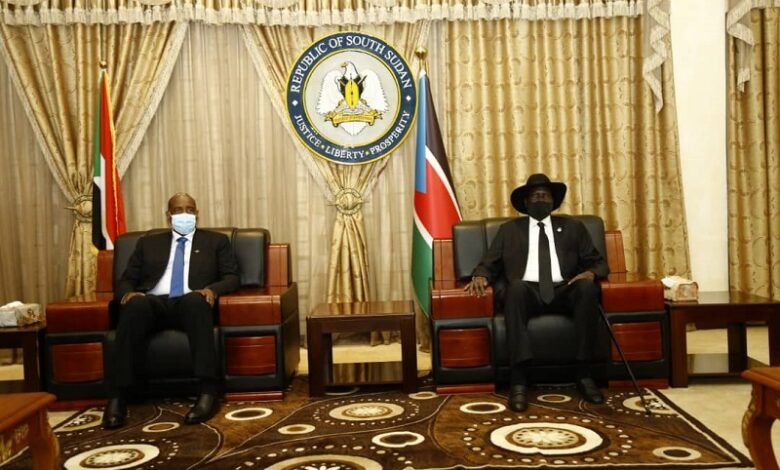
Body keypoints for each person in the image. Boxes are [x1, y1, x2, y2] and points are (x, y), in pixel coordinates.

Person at [464, 173, 609, 412]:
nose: (540, 198)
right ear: (526, 202)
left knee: (586, 288)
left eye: (545, 195)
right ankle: (518, 380)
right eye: (535, 195)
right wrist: (480, 275)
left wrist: (591, 273)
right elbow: (489, 262)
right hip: (527, 291)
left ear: (553, 201)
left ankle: (584, 374)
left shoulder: (573, 227)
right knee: (515, 287)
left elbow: (598, 262)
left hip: (564, 289)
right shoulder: (509, 230)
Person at [102, 193, 240, 429]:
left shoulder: (216, 241)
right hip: (153, 302)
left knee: (196, 302)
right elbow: (126, 280)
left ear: (197, 214)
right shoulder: (148, 243)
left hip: (190, 301)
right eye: (177, 210)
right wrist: (127, 294)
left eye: (189, 209)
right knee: (134, 305)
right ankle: (118, 397)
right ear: (168, 216)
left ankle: (207, 393)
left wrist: (211, 290)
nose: (184, 214)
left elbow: (232, 277)